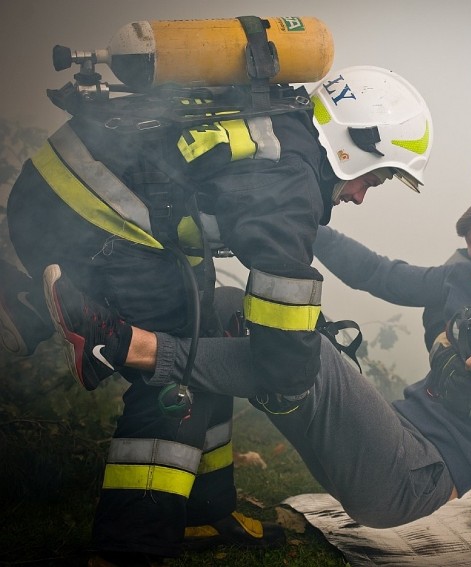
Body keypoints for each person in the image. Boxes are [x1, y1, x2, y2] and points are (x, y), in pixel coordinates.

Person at [1, 63, 433, 566]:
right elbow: (283, 301)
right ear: (351, 145)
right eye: (372, 180)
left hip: (54, 200)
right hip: (84, 222)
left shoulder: (283, 122)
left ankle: (205, 510)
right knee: (176, 375)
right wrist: (290, 380)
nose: (359, 196)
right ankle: (128, 547)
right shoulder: (289, 176)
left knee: (202, 337)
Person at [41, 204, 471, 530]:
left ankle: (119, 348)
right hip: (380, 441)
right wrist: (292, 217)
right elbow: (377, 272)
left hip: (414, 480)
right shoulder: (460, 281)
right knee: (228, 308)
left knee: (305, 350)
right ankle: (205, 500)